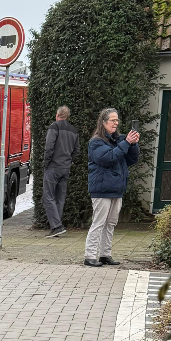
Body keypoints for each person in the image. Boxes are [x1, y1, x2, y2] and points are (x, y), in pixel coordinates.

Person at [85, 108, 139, 267]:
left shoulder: (117, 141)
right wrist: (127, 142)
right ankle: (89, 256)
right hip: (102, 189)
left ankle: (105, 254)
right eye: (112, 120)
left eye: (117, 120)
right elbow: (108, 158)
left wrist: (133, 144)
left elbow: (130, 160)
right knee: (99, 222)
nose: (116, 123)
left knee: (111, 223)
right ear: (103, 122)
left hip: (116, 189)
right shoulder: (96, 142)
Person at [42, 105, 78, 237]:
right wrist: (68, 161)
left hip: (53, 167)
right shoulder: (73, 130)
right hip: (65, 168)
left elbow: (49, 147)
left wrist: (46, 163)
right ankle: (56, 226)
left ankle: (56, 226)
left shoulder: (54, 127)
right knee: (60, 198)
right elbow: (76, 150)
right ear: (67, 116)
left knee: (48, 196)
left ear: (57, 115)